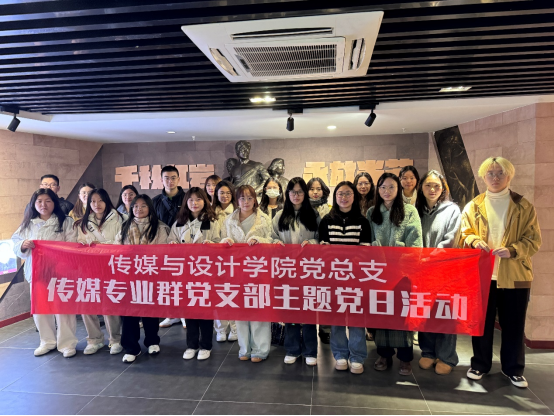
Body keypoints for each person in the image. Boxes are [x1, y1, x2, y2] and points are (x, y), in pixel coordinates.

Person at [461, 157, 542, 389]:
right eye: (490, 173)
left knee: (514, 325)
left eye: (500, 173)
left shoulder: (523, 206)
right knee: (481, 324)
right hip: (483, 275)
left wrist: (513, 250)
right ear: (483, 176)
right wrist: (474, 240)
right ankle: (479, 364)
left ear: (509, 176)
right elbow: (465, 232)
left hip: (515, 275)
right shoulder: (474, 205)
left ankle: (513, 369)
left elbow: (533, 240)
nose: (495, 178)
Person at [367, 173, 423, 376]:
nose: (387, 191)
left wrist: (400, 260)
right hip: (378, 273)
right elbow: (368, 241)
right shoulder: (372, 212)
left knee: (402, 316)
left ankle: (405, 358)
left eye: (391, 187)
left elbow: (416, 244)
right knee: (381, 315)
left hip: (402, 273)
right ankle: (384, 354)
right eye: (383, 187)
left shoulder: (410, 211)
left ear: (398, 189)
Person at [12, 189, 78, 358]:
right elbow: (16, 242)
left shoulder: (65, 221)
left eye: (48, 201)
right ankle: (47, 341)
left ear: (54, 202)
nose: (43, 205)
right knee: (41, 309)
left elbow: (73, 244)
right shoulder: (28, 224)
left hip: (61, 272)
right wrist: (23, 245)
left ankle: (67, 343)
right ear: (34, 204)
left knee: (63, 308)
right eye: (39, 201)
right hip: (37, 273)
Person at [319, 181, 372, 375]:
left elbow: (365, 251)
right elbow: (323, 250)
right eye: (340, 194)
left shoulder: (362, 221)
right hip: (333, 278)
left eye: (348, 193)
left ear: (354, 196)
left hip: (356, 278)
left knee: (357, 318)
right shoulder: (326, 220)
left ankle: (357, 356)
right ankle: (340, 354)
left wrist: (349, 265)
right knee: (337, 318)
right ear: (335, 197)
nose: (344, 197)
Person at [415, 170, 462, 376]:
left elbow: (451, 239)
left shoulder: (452, 210)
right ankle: (428, 351)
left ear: (443, 188)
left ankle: (446, 356)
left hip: (444, 270)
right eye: (428, 185)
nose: (432, 189)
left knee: (445, 313)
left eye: (436, 186)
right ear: (421, 188)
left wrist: (431, 257)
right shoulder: (416, 210)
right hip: (421, 271)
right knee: (424, 310)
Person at [221, 185, 273, 363]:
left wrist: (259, 240)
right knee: (241, 310)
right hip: (237, 270)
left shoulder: (264, 219)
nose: (246, 202)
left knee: (259, 310)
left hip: (258, 270)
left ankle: (260, 349)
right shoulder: (229, 220)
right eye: (242, 198)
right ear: (237, 200)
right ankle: (244, 348)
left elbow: (272, 241)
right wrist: (227, 241)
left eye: (250, 198)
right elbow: (223, 239)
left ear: (255, 200)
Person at [272, 178, 320, 367]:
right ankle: (292, 349)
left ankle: (310, 351)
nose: (296, 195)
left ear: (305, 194)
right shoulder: (279, 216)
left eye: (300, 192)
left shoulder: (314, 215)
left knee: (308, 312)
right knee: (290, 312)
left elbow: (320, 238)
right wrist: (275, 242)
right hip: (287, 271)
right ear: (287, 194)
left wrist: (313, 243)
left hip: (308, 271)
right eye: (292, 192)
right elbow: (272, 236)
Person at [116, 195, 170, 364]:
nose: (138, 209)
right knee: (129, 313)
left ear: (150, 208)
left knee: (150, 310)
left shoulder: (160, 227)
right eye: (135, 206)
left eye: (143, 206)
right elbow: (117, 248)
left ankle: (152, 341)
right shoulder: (124, 226)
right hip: (128, 275)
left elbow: (162, 251)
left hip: (151, 274)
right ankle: (131, 347)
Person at [170, 188, 221, 361]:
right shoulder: (179, 222)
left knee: (205, 310)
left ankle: (206, 345)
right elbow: (171, 241)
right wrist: (173, 245)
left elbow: (220, 243)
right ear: (186, 202)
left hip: (205, 271)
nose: (195, 203)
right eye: (190, 200)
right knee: (189, 309)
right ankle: (191, 345)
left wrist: (211, 245)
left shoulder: (212, 221)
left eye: (199, 199)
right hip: (185, 272)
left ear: (205, 201)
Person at [76, 189, 126, 356]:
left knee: (109, 304)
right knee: (87, 304)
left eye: (100, 201)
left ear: (107, 201)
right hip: (89, 268)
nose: (96, 204)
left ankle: (115, 339)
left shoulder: (120, 218)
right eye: (93, 201)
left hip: (111, 266)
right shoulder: (83, 222)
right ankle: (94, 339)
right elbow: (79, 243)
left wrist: (100, 246)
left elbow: (122, 242)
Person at [153, 166, 187, 329]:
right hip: (163, 248)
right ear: (161, 180)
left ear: (179, 179)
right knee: (167, 282)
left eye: (173, 177)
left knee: (184, 282)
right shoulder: (155, 201)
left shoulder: (187, 198)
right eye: (166, 178)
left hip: (184, 246)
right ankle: (171, 314)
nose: (170, 181)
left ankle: (185, 314)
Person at [212, 180, 239, 342]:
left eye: (228, 193)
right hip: (215, 259)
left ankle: (235, 327)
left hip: (234, 258)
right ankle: (221, 329)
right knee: (218, 295)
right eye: (222, 193)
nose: (225, 196)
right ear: (216, 194)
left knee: (234, 293)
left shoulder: (237, 211)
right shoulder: (210, 212)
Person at [307, 177, 332, 344]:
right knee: (309, 293)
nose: (315, 192)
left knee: (324, 294)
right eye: (311, 189)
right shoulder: (302, 209)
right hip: (307, 259)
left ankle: (325, 329)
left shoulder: (330, 209)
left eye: (318, 189)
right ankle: (307, 327)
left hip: (325, 258)